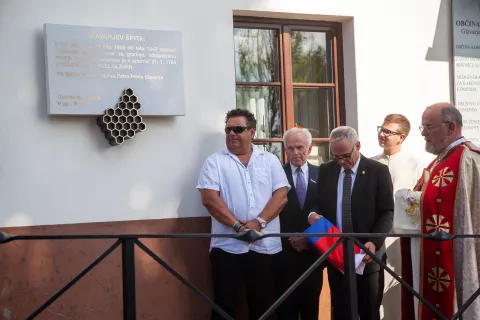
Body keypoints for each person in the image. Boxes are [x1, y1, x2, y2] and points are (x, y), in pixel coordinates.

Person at [196, 108, 290, 320]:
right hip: (227, 247)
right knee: (224, 304)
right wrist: (238, 227)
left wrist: (258, 223)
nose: (231, 134)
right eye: (228, 129)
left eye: (238, 129)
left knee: (260, 304)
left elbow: (281, 196)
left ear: (252, 132)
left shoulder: (269, 160)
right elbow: (209, 199)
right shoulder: (215, 161)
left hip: (264, 246)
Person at [397, 103, 480, 320]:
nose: (423, 133)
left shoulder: (469, 159)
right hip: (438, 253)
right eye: (422, 127)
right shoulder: (439, 160)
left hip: (462, 254)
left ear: (451, 127)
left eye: (429, 127)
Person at [308, 126, 394, 320]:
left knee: (369, 311)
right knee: (341, 311)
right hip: (337, 253)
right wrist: (313, 215)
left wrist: (375, 241)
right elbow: (319, 204)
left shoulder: (377, 171)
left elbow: (386, 211)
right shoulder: (327, 170)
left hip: (367, 253)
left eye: (346, 156)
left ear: (358, 146)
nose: (342, 162)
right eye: (336, 157)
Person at [371, 114, 424, 320]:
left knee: (399, 289)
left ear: (401, 137)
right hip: (374, 235)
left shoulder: (416, 165)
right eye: (381, 129)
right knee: (374, 291)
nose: (381, 134)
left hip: (400, 238)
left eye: (388, 131)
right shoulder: (371, 163)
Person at [275, 127, 324, 320]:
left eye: (300, 147)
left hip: (313, 255)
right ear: (285, 150)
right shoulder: (276, 174)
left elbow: (327, 210)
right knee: (286, 309)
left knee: (311, 308)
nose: (295, 153)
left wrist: (309, 239)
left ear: (310, 148)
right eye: (291, 148)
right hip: (284, 254)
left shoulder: (323, 174)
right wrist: (292, 238)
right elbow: (271, 212)